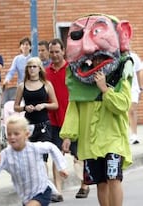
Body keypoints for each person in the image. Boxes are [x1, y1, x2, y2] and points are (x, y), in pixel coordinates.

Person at [61, 14, 133, 206]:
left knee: (113, 178)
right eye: (93, 59)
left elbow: (123, 105)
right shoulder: (80, 85)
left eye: (101, 57)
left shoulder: (120, 78)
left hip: (112, 139)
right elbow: (73, 109)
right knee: (100, 182)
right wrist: (68, 136)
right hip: (90, 142)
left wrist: (105, 90)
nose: (96, 62)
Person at [45, 38, 89, 202]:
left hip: (72, 119)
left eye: (57, 51)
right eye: (52, 52)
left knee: (79, 155)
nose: (54, 55)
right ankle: (58, 191)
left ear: (63, 51)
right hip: (54, 121)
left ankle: (84, 184)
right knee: (57, 155)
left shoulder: (72, 69)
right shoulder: (46, 71)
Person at [0, 115, 69, 206]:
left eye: (16, 134)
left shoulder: (35, 148)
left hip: (42, 190)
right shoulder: (5, 154)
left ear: (27, 134)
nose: (12, 137)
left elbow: (51, 147)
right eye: (9, 134)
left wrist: (62, 167)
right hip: (26, 196)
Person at [14, 57, 58, 160]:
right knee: (29, 157)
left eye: (34, 66)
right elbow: (16, 107)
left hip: (44, 125)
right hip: (28, 125)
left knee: (43, 158)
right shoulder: (22, 86)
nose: (32, 69)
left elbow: (55, 105)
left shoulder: (47, 85)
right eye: (29, 67)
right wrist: (25, 108)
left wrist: (44, 105)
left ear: (39, 69)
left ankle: (44, 176)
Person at [128, 52, 142, 144]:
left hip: (133, 88)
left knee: (131, 109)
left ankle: (134, 134)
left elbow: (139, 71)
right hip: (121, 88)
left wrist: (141, 87)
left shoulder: (134, 56)